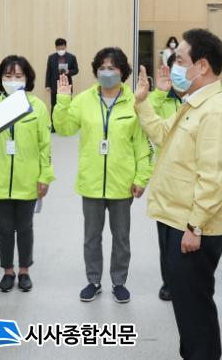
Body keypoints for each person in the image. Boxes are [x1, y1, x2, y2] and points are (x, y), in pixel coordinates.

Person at [134, 28, 222, 359]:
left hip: (191, 228)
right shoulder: (194, 104)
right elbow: (162, 134)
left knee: (195, 312)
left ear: (202, 65)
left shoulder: (213, 112)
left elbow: (213, 178)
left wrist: (195, 226)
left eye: (179, 60)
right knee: (187, 308)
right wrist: (142, 103)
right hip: (175, 219)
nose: (173, 66)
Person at [53, 47, 152, 304]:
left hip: (122, 183)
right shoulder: (84, 100)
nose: (107, 73)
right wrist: (62, 101)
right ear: (96, 71)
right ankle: (94, 281)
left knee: (121, 237)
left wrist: (141, 178)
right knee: (91, 237)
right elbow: (64, 129)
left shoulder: (134, 102)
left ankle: (119, 282)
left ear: (123, 71)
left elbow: (142, 145)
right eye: (102, 68)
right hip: (91, 181)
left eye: (112, 68)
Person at [0, 55, 55, 292]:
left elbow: (44, 146)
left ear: (27, 79)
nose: (13, 80)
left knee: (25, 227)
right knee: (5, 228)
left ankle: (24, 270)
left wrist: (45, 176)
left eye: (18, 76)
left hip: (28, 179)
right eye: (8, 76)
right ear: (0, 79)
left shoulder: (37, 107)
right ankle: (8, 271)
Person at [148, 52, 181, 302]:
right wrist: (159, 92)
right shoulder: (160, 98)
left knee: (192, 233)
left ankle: (188, 280)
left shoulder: (199, 99)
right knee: (167, 236)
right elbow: (146, 118)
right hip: (166, 179)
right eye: (176, 66)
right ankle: (169, 281)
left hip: (193, 179)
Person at [45, 38, 79, 130]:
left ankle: (67, 125)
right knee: (54, 105)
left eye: (62, 48)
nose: (61, 50)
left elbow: (76, 70)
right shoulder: (51, 57)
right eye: (59, 48)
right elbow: (48, 72)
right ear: (56, 47)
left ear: (65, 46)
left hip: (66, 86)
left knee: (67, 105)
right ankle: (53, 126)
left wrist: (69, 72)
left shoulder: (72, 57)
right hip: (54, 85)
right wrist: (47, 85)